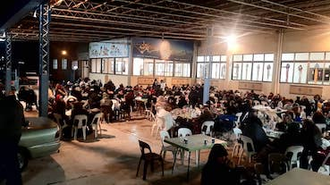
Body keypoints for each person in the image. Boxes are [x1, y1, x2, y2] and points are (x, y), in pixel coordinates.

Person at [0, 87, 25, 185]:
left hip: (6, 136)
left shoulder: (3, 105)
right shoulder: (18, 104)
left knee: (8, 160)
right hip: (16, 135)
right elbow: (22, 121)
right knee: (11, 159)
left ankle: (12, 181)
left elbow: (1, 123)